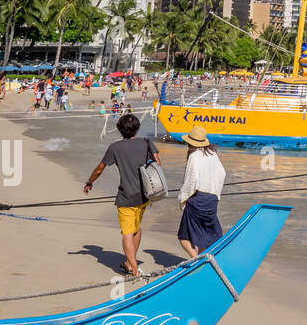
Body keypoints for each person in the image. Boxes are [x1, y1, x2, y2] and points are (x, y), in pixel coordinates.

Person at [83, 113, 161, 277]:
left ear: (119, 129)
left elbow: (100, 168)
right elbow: (158, 164)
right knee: (136, 229)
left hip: (126, 196)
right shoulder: (147, 143)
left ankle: (133, 269)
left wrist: (90, 182)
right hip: (145, 195)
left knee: (127, 232)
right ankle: (129, 262)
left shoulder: (115, 147)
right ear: (137, 128)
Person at [177, 125, 225, 258]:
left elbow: (190, 181)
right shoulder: (213, 154)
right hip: (212, 199)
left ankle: (196, 260)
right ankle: (202, 261)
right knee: (205, 237)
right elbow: (222, 173)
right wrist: (215, 193)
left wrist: (182, 199)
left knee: (184, 237)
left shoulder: (194, 156)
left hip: (198, 200)